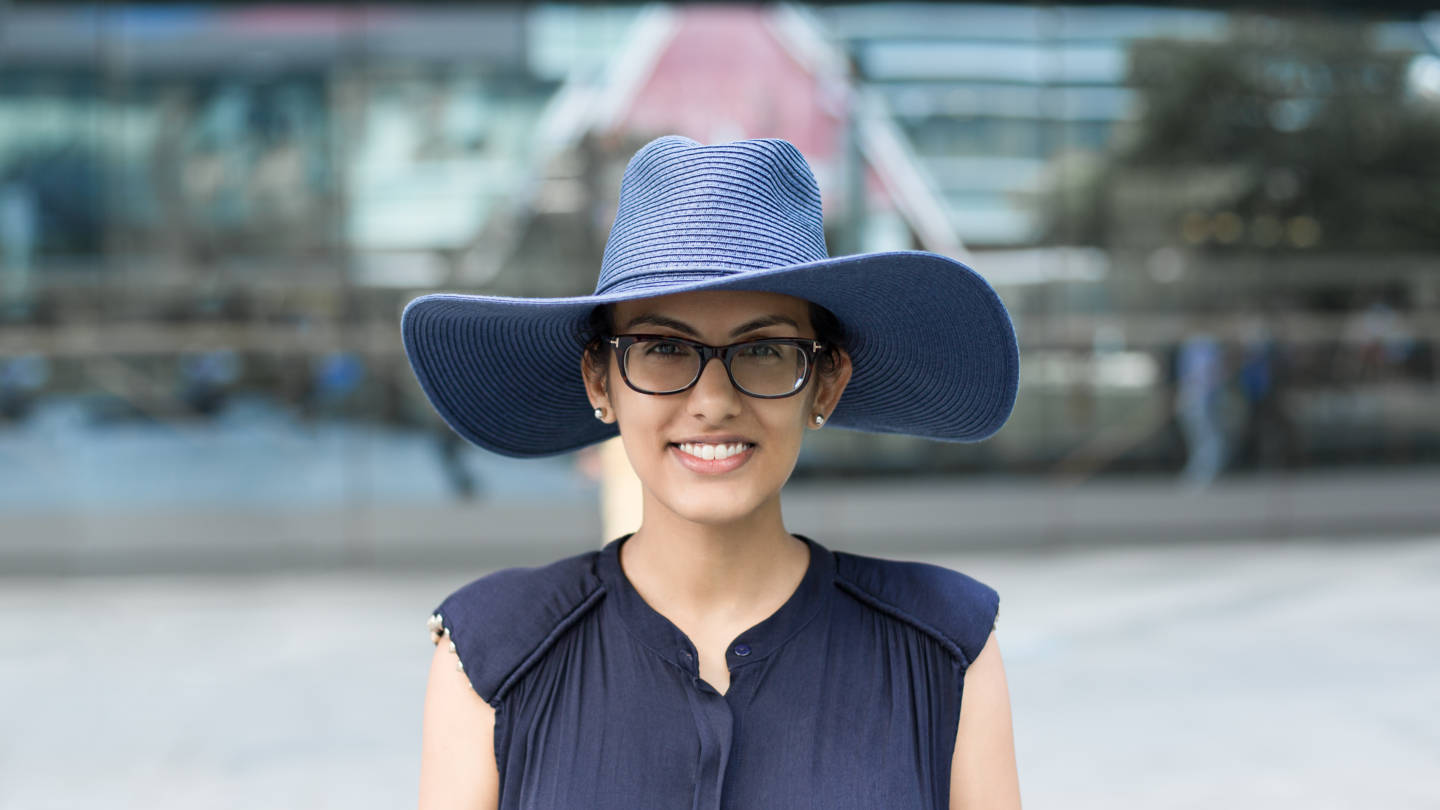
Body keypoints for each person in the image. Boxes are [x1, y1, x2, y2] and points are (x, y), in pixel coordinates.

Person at [405, 136, 1022, 809]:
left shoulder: (944, 647)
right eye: (663, 347)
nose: (713, 402)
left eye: (763, 349)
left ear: (825, 382)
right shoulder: (495, 656)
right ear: (599, 378)